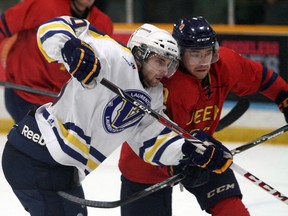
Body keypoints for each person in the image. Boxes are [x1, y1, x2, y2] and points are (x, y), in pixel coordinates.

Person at [1, 16, 233, 216]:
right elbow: (54, 26)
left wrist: (189, 151)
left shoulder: (153, 96)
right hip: (34, 155)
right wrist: (69, 48)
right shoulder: (110, 54)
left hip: (61, 171)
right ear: (140, 54)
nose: (164, 71)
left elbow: (151, 141)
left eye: (169, 64)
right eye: (159, 61)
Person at [118, 16, 288, 216]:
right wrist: (180, 165)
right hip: (146, 164)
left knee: (233, 211)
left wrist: (285, 99)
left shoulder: (226, 64)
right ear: (179, 54)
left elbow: (262, 78)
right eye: (196, 54)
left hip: (206, 153)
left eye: (208, 53)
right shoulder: (165, 83)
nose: (204, 61)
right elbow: (150, 137)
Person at [0, 0, 113, 123]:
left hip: (62, 104)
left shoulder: (103, 24)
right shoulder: (43, 4)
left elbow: (102, 69)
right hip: (25, 95)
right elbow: (2, 26)